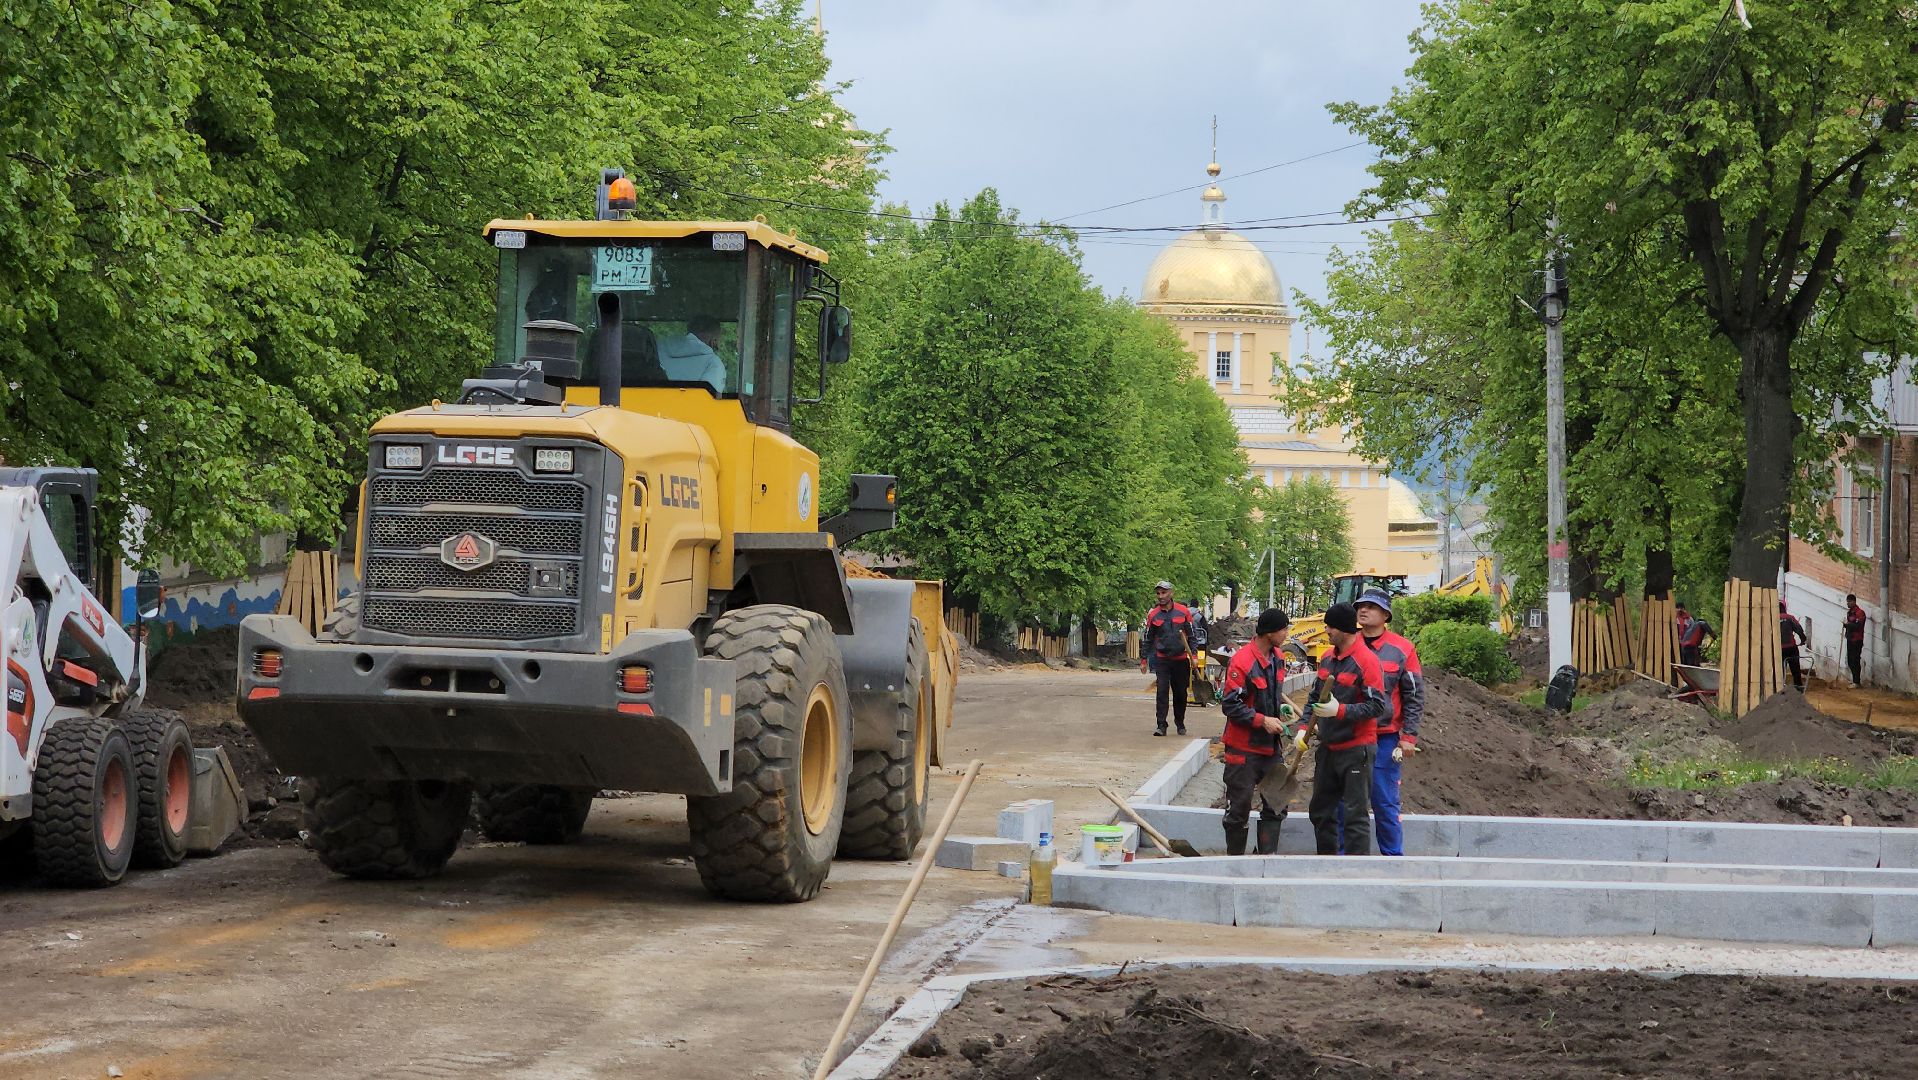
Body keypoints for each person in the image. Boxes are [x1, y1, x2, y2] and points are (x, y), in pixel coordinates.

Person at [1305, 602, 1387, 856]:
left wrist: (1339, 711)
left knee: (1355, 816)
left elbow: (1376, 706)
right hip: (1329, 747)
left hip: (1356, 749)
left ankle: (1355, 873)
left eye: (1330, 626)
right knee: (1320, 810)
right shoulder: (1328, 658)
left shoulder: (1367, 661)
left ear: (1343, 629)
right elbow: (1314, 696)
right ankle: (1327, 864)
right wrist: (1302, 728)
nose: (1326, 631)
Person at [1217, 608, 1300, 856]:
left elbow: (1268, 694)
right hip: (1243, 749)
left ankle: (1266, 861)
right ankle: (1236, 866)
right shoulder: (1242, 662)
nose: (1286, 634)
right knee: (1238, 810)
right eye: (1283, 629)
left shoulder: (1278, 657)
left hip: (1270, 749)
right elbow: (1231, 705)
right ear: (1269, 632)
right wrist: (1262, 720)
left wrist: (1279, 709)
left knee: (1277, 803)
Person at [1348, 588, 1423, 857]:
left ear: (1385, 614)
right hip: (1351, 735)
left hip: (1385, 738)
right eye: (1360, 606)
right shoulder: (1347, 644)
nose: (1363, 610)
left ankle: (1392, 859)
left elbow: (1414, 695)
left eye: (1371, 606)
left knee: (1385, 801)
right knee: (1349, 802)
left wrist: (1409, 736)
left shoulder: (1402, 649)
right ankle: (1346, 862)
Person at [1139, 581, 1198, 736]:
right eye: (1158, 593)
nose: (1161, 596)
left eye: (1164, 593)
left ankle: (1180, 722)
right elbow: (1148, 639)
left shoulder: (1183, 612)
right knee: (1162, 692)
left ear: (1171, 593)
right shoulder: (1153, 615)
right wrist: (1144, 660)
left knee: (1180, 693)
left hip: (1181, 659)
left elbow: (1192, 636)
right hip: (1163, 659)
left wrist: (1195, 655)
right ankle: (1161, 725)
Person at [658, 315, 727, 392]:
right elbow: (711, 398)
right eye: (716, 340)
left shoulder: (657, 353)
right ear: (712, 341)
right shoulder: (713, 363)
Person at [1779, 600, 1809, 692]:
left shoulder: (1771, 619)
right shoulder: (1790, 618)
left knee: (1780, 670)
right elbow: (1799, 629)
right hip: (1791, 647)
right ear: (1784, 608)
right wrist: (1803, 639)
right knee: (1795, 669)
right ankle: (1799, 688)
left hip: (1779, 649)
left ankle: (1779, 688)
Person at [1675, 602, 1714, 667]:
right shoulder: (1674, 618)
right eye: (1678, 608)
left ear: (1684, 609)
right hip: (1678, 643)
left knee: (1688, 662)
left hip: (1686, 642)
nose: (1679, 610)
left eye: (1681, 608)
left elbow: (1692, 631)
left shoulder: (1689, 619)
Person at [1846, 594, 1868, 686]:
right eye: (1847, 601)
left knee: (1855, 660)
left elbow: (1858, 626)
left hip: (1857, 640)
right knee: (1850, 660)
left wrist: (1848, 625)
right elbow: (1849, 625)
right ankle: (1854, 679)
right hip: (1850, 639)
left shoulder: (1860, 613)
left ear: (1854, 602)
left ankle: (1857, 681)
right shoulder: (1849, 613)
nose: (1848, 603)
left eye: (1850, 601)